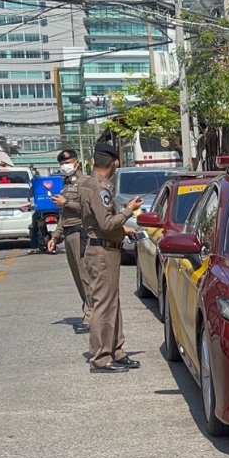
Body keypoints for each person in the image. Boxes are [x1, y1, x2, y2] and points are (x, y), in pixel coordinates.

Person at [78, 138, 144, 373]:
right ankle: (101, 357)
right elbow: (106, 224)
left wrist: (123, 229)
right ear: (114, 164)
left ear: (94, 160)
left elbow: (97, 222)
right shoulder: (99, 188)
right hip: (103, 250)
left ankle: (116, 350)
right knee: (103, 305)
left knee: (111, 303)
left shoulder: (88, 183)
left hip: (105, 247)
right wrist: (129, 211)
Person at [46, 150, 90, 334]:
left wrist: (66, 203)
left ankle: (91, 317)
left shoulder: (86, 183)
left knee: (85, 277)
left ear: (77, 163)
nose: (65, 165)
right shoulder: (66, 185)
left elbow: (88, 209)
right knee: (78, 278)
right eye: (62, 163)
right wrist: (55, 237)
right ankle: (88, 312)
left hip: (81, 233)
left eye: (68, 162)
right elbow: (64, 217)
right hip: (69, 234)